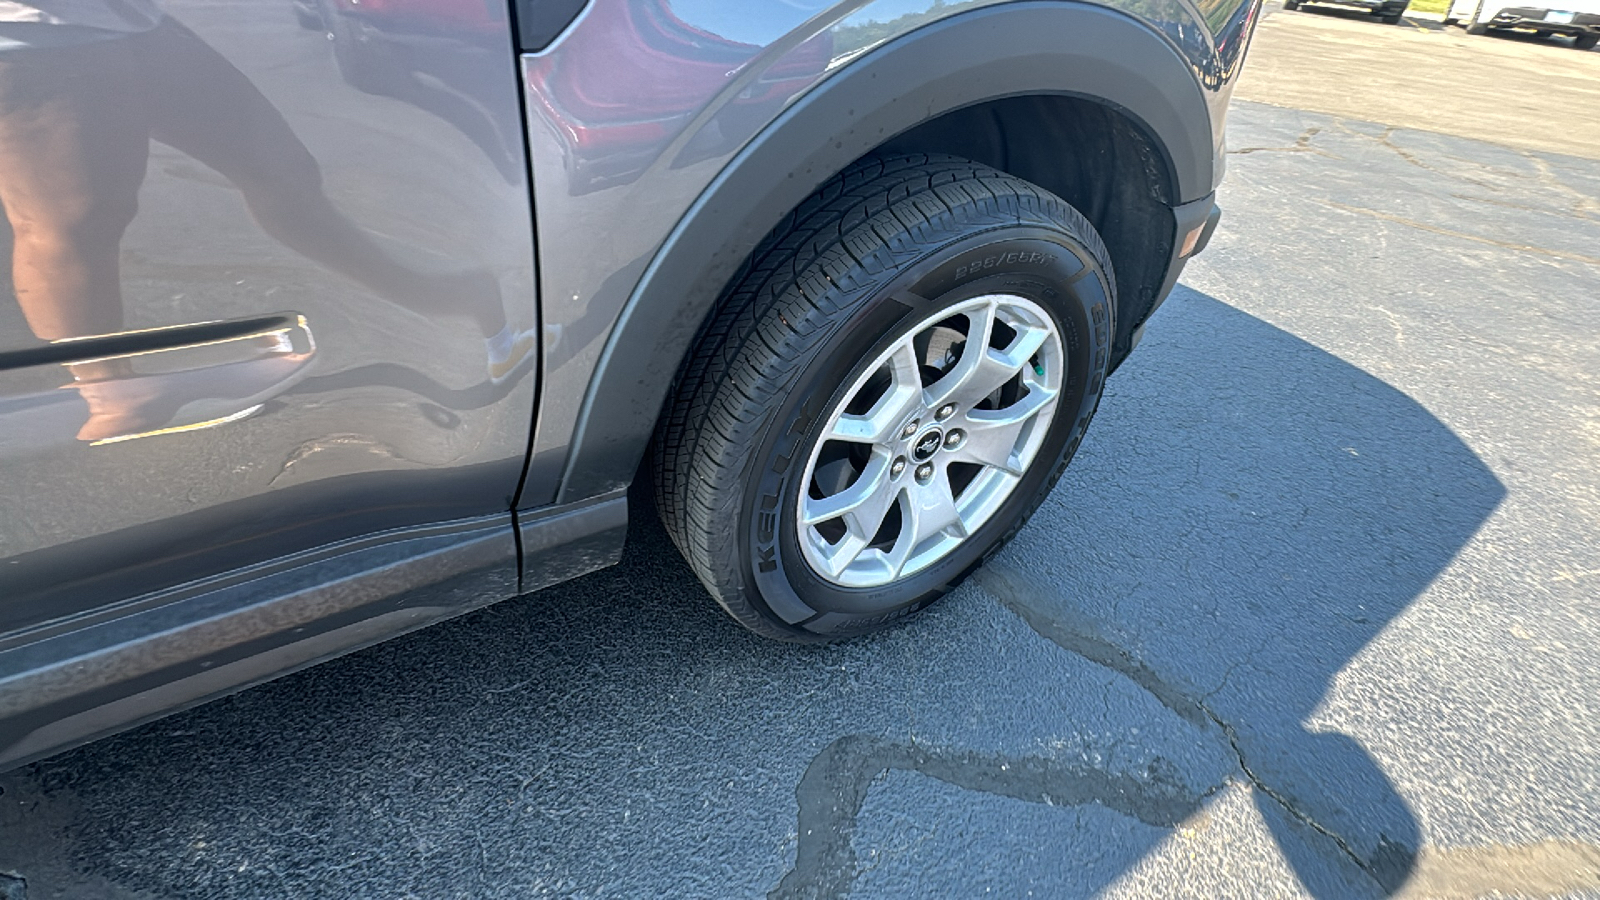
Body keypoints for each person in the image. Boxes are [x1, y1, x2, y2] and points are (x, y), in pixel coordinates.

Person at [0, 2, 533, 441]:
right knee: (78, 222)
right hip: (27, 33)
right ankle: (112, 394)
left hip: (119, 16)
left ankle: (437, 298)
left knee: (284, 171)